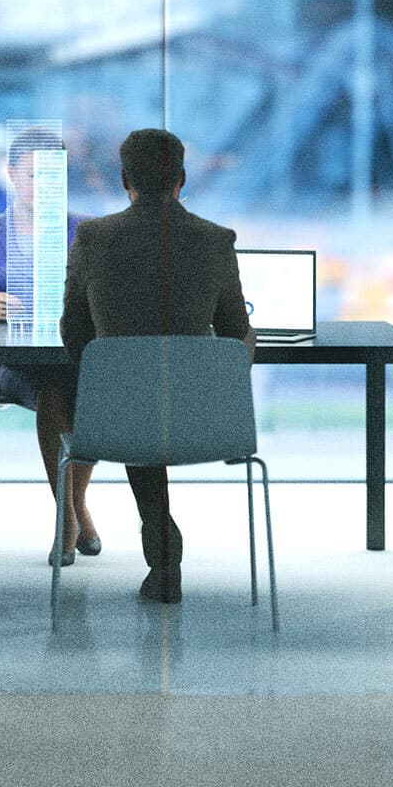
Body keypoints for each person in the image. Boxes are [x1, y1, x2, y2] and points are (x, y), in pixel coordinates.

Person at [60, 129, 253, 604]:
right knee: (150, 393)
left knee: (133, 396)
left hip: (116, 414)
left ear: (124, 178)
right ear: (182, 179)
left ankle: (162, 543)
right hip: (203, 417)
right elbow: (234, 336)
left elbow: (74, 334)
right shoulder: (216, 240)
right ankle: (162, 544)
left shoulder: (92, 237)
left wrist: (114, 363)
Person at [0, 128, 95, 565]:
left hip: (76, 355)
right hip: (18, 364)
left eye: (54, 176)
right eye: (35, 175)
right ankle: (69, 516)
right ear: (13, 174)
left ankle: (74, 509)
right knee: (57, 391)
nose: (45, 186)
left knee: (79, 386)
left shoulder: (88, 232)